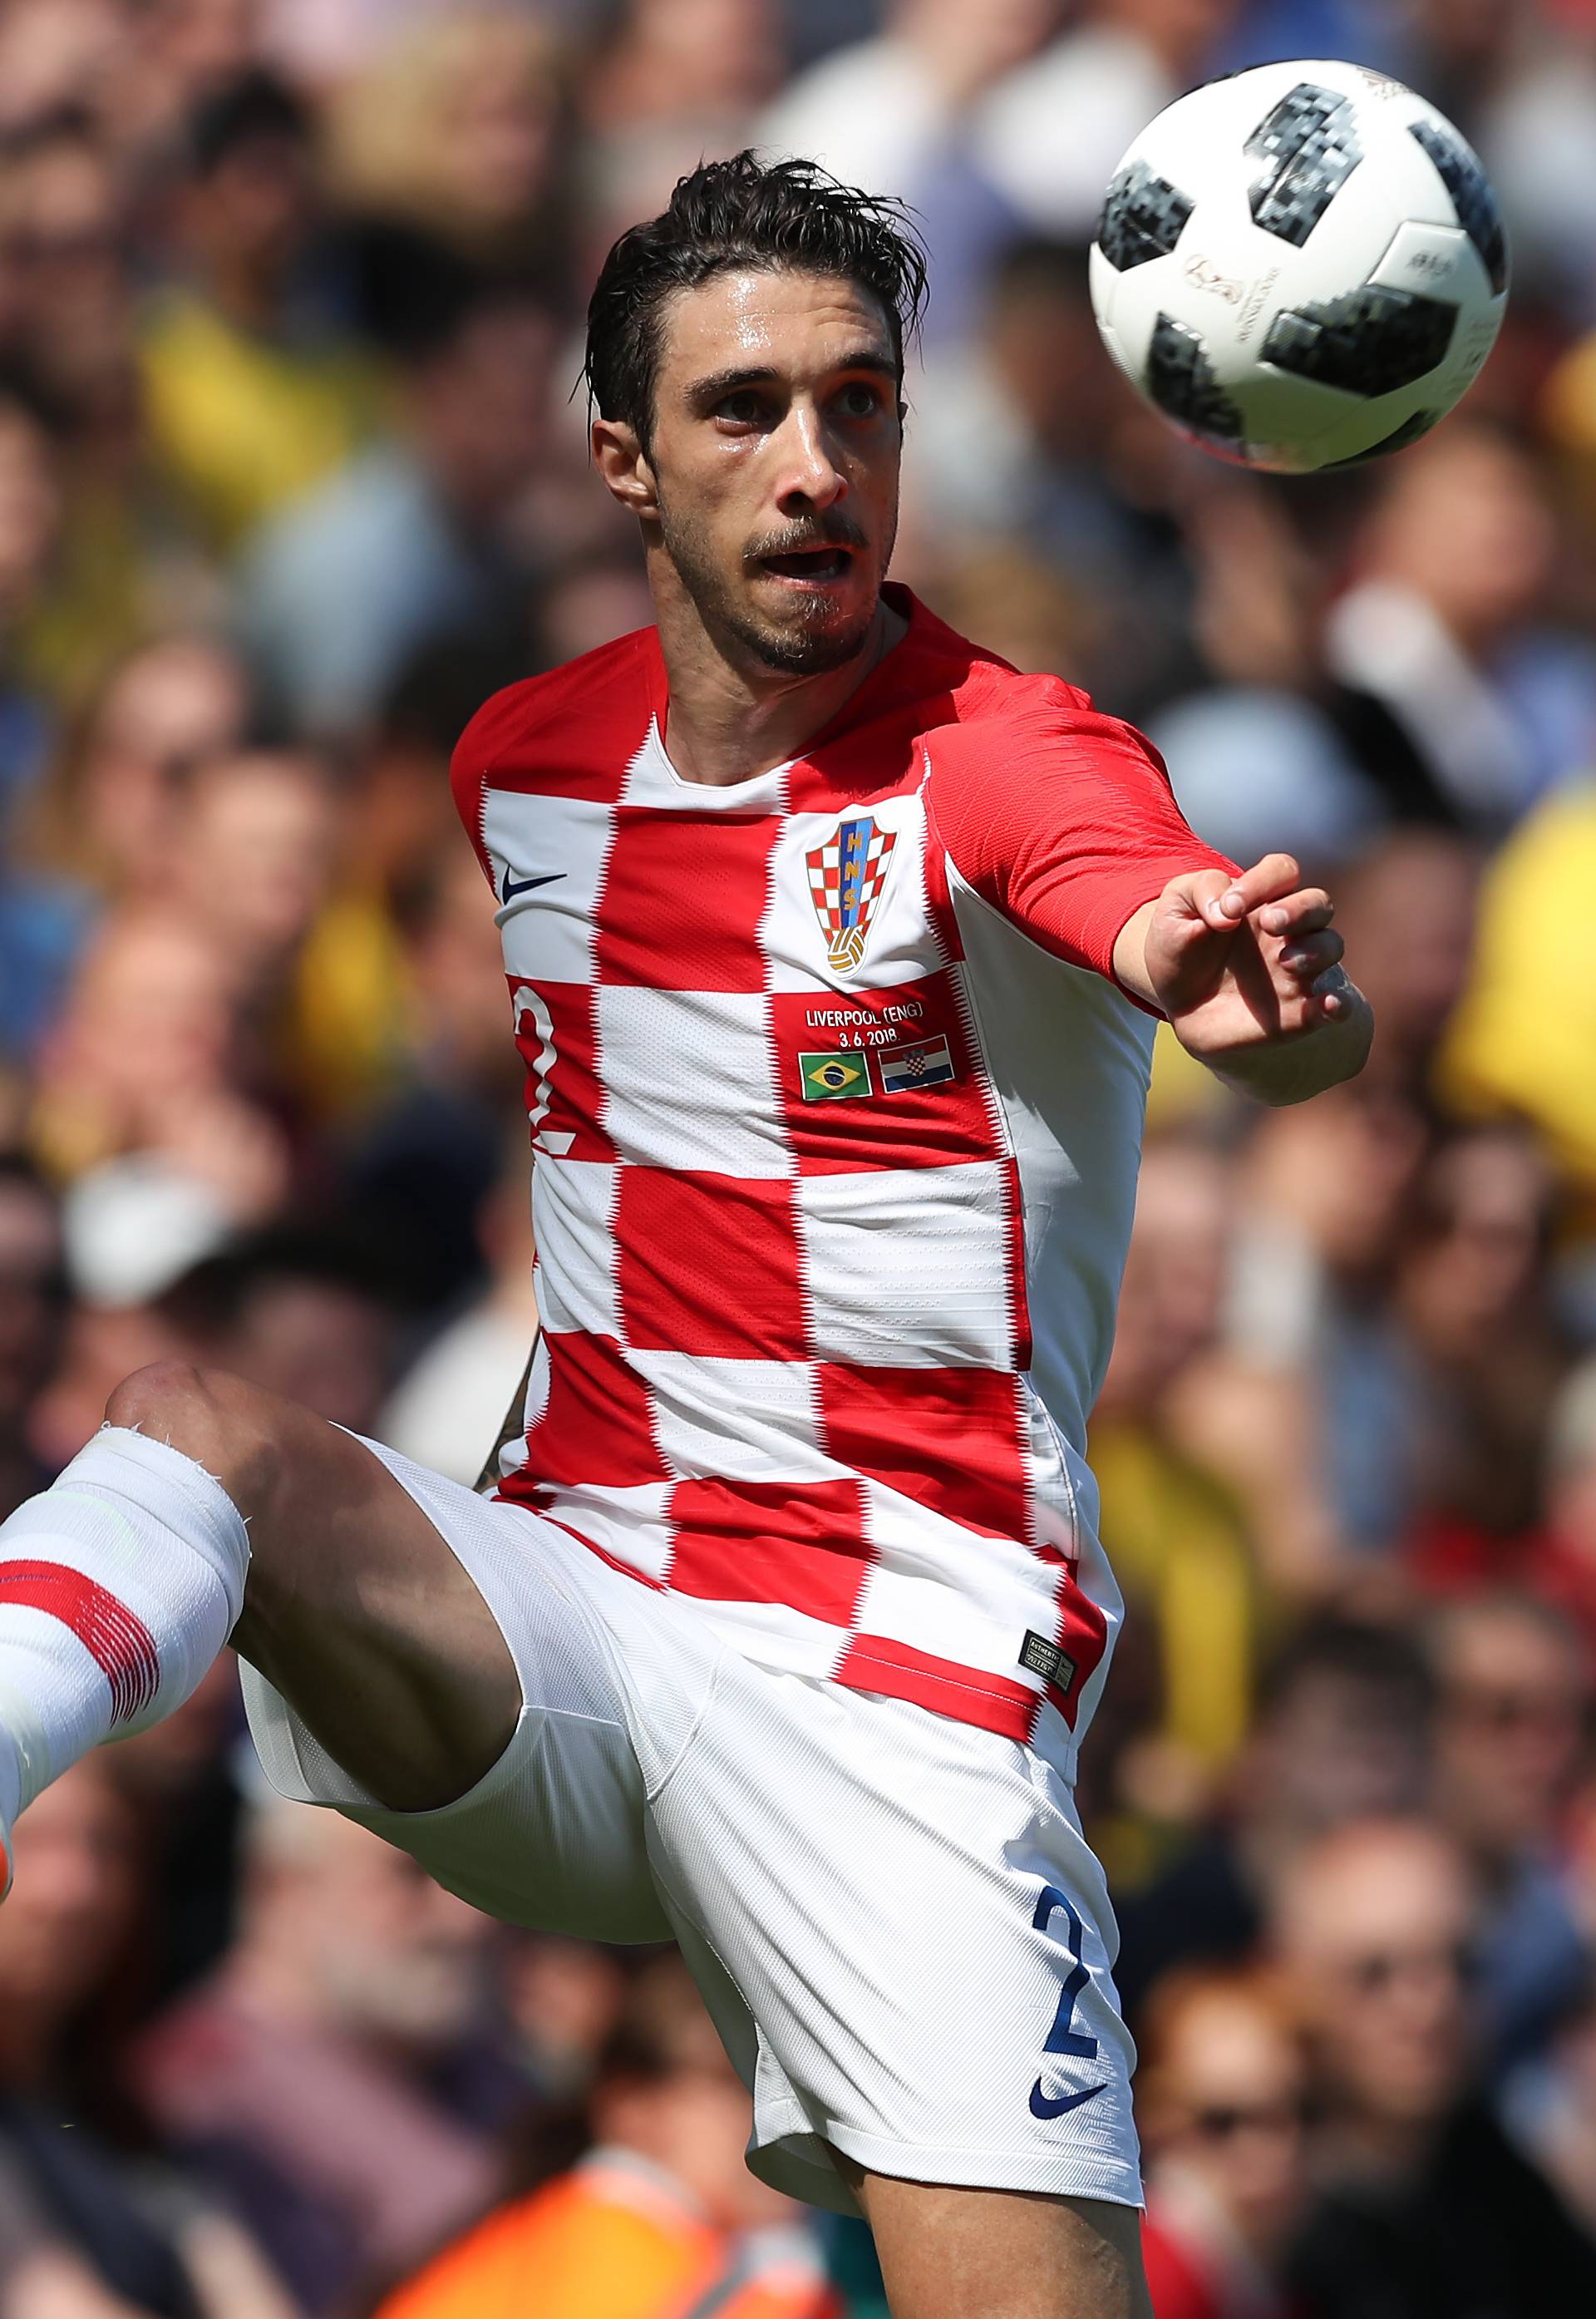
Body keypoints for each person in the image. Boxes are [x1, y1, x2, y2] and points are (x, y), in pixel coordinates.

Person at [0, 153, 1372, 2318]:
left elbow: (1159, 915)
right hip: (580, 1617)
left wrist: (1249, 1005)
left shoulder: (1012, 754)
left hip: (895, 1678)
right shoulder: (521, 768)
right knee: (201, 1433)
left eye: (864, 405)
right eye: (747, 410)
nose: (818, 464)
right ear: (624, 458)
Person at [372, 1951, 839, 2319]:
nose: (776, 2111)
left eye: (797, 2087)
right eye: (731, 2079)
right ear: (631, 2108)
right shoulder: (611, 2236)